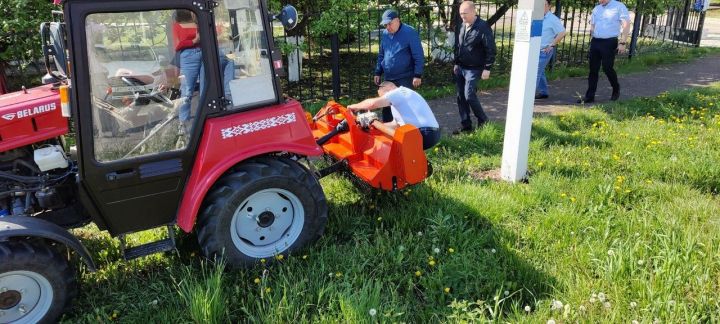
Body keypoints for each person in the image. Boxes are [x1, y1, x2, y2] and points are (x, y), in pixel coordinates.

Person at [348, 81, 440, 150]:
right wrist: (374, 126)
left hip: (424, 132)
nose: (383, 98)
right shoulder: (400, 100)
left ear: (388, 87)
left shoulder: (398, 92)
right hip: (430, 133)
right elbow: (395, 124)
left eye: (382, 95)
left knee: (392, 149)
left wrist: (354, 106)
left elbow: (372, 104)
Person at [452, 1, 496, 134]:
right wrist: (456, 63)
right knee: (460, 96)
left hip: (474, 68)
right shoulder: (462, 25)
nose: (462, 17)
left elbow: (491, 49)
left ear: (473, 12)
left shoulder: (483, 27)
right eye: (461, 14)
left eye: (465, 14)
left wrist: (487, 67)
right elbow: (459, 46)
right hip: (461, 67)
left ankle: (483, 121)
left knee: (469, 95)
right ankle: (466, 126)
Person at [374, 9, 425, 122]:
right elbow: (382, 53)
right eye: (385, 24)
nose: (387, 27)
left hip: (405, 77)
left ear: (397, 20)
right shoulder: (386, 34)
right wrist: (378, 71)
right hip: (388, 77)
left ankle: (408, 132)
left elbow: (418, 54)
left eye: (390, 24)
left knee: (404, 107)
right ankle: (388, 132)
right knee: (386, 106)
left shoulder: (409, 32)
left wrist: (418, 74)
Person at [577, 0, 630, 103]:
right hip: (596, 41)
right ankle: (590, 96)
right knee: (593, 69)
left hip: (609, 41)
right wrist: (592, 33)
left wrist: (622, 43)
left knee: (607, 67)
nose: (600, 0)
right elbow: (593, 24)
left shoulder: (619, 6)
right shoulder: (597, 8)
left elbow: (626, 25)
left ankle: (616, 88)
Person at [173, 9, 204, 129]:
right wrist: (194, 41)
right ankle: (183, 122)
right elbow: (177, 45)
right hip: (189, 55)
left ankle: (204, 117)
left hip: (204, 52)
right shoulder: (177, 25)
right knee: (187, 89)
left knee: (205, 87)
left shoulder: (198, 21)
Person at [535, 0, 566, 100]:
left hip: (544, 51)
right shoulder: (537, 16)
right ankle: (544, 92)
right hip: (534, 50)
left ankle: (527, 96)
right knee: (540, 71)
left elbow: (562, 32)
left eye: (544, 5)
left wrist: (552, 45)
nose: (541, 7)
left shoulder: (552, 19)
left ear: (549, 6)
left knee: (535, 72)